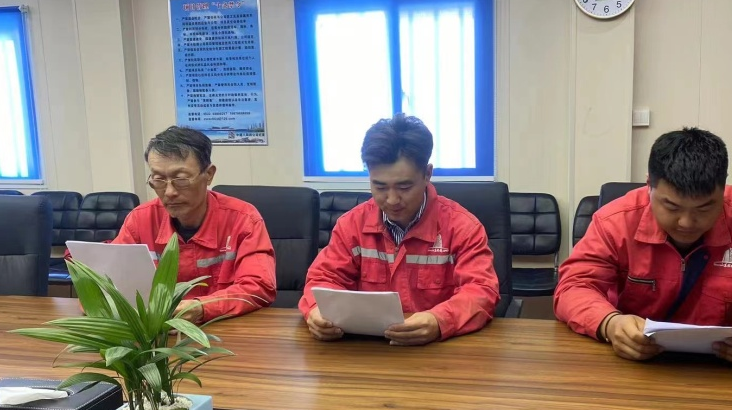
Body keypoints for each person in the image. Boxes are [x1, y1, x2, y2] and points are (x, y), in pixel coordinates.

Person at [554, 127, 732, 365]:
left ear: (723, 189)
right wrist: (609, 324)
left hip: (727, 364)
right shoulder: (615, 220)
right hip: (634, 359)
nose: (686, 222)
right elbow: (575, 286)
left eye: (705, 208)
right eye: (671, 206)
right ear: (649, 186)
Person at [299, 114, 499, 345]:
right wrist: (317, 310)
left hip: (438, 350)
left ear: (427, 174)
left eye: (404, 187)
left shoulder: (462, 227)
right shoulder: (351, 225)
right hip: (367, 348)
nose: (392, 200)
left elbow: (481, 290)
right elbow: (323, 278)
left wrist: (439, 320)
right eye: (380, 186)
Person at [112, 126, 276, 322]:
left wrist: (203, 308)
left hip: (225, 328)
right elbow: (107, 279)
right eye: (159, 179)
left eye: (181, 179)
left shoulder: (243, 219)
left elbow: (259, 287)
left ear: (209, 174)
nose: (169, 192)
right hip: (158, 332)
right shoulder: (140, 220)